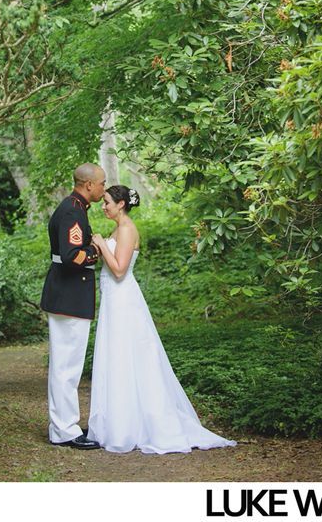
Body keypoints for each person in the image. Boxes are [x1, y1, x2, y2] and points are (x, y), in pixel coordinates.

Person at [87, 184, 236, 454]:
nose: (103, 205)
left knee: (128, 356)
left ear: (121, 204)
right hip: (114, 300)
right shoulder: (118, 229)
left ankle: (136, 426)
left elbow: (119, 270)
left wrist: (100, 244)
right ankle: (119, 422)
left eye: (107, 201)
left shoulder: (127, 229)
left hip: (123, 300)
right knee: (118, 358)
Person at [40, 163, 106, 449]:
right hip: (68, 295)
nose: (104, 189)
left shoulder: (75, 207)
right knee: (66, 367)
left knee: (67, 366)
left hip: (68, 295)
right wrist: (98, 250)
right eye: (102, 184)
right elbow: (71, 256)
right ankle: (64, 430)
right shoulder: (72, 211)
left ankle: (65, 425)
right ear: (88, 184)